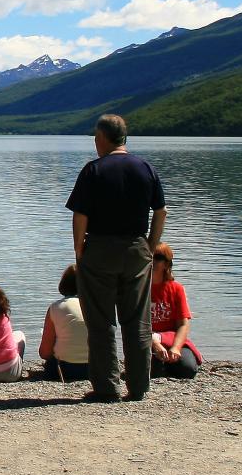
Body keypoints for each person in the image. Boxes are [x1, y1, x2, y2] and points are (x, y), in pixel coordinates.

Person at [65, 113, 167, 403]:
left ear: (102, 138)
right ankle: (138, 387)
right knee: (136, 320)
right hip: (136, 250)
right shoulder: (145, 168)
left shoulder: (93, 170)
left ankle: (107, 387)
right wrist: (150, 244)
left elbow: (80, 214)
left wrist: (78, 248)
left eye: (96, 138)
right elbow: (161, 211)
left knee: (100, 321)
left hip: (99, 248)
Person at [149, 243, 202, 379]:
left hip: (170, 339)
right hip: (146, 340)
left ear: (167, 265)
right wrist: (154, 343)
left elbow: (183, 324)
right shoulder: (138, 289)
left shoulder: (176, 289)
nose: (153, 260)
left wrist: (176, 348)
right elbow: (134, 324)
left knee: (188, 370)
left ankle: (168, 364)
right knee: (153, 373)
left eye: (158, 257)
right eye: (150, 256)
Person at [39, 263, 91, 383]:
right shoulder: (98, 307)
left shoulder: (56, 307)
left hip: (65, 369)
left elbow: (44, 353)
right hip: (98, 369)